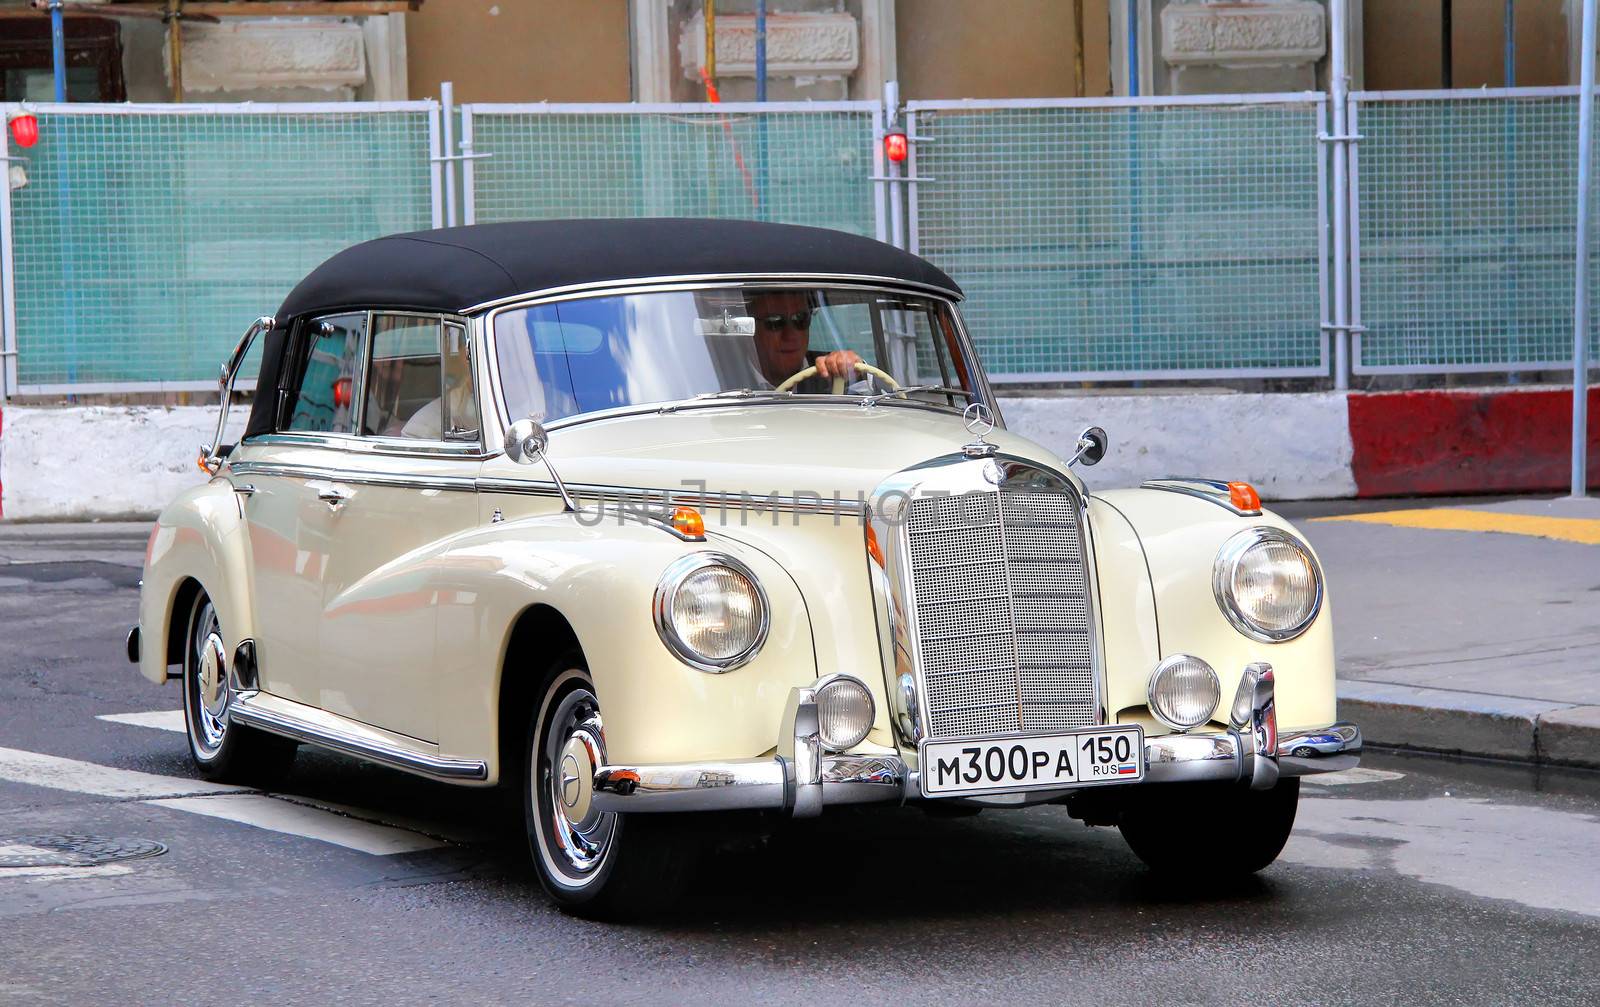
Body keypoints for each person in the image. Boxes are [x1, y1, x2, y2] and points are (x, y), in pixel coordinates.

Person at [747, 291, 863, 392]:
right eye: (774, 321)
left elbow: (873, 393)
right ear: (749, 327)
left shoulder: (831, 370)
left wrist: (852, 368)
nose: (791, 335)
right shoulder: (730, 379)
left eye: (800, 318)